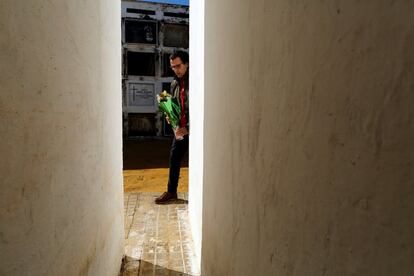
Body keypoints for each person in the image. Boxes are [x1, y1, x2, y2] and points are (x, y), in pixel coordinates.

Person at [155, 50, 189, 204]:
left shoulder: (196, 81)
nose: (176, 70)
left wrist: (189, 127)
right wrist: (170, 115)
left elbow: (201, 108)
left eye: (178, 66)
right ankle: (171, 191)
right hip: (180, 130)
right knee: (174, 158)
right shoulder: (174, 83)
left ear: (187, 64)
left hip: (193, 130)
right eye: (173, 67)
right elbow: (175, 105)